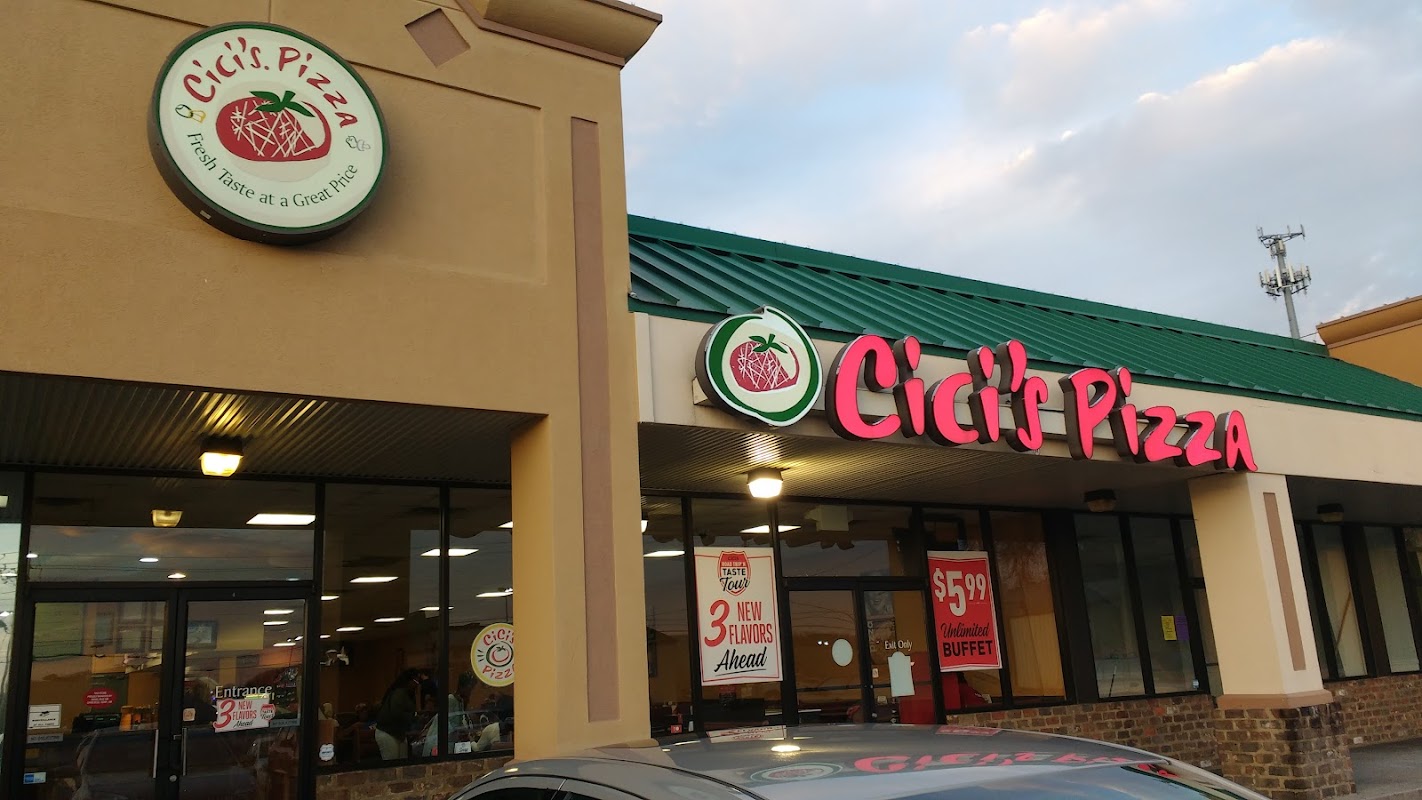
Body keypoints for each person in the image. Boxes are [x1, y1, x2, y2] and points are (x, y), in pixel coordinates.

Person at [374, 668, 420, 760]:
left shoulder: (408, 694)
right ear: (409, 681)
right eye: (416, 681)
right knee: (392, 764)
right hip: (388, 732)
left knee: (401, 763)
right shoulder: (399, 693)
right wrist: (414, 718)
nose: (417, 684)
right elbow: (396, 713)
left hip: (399, 733)